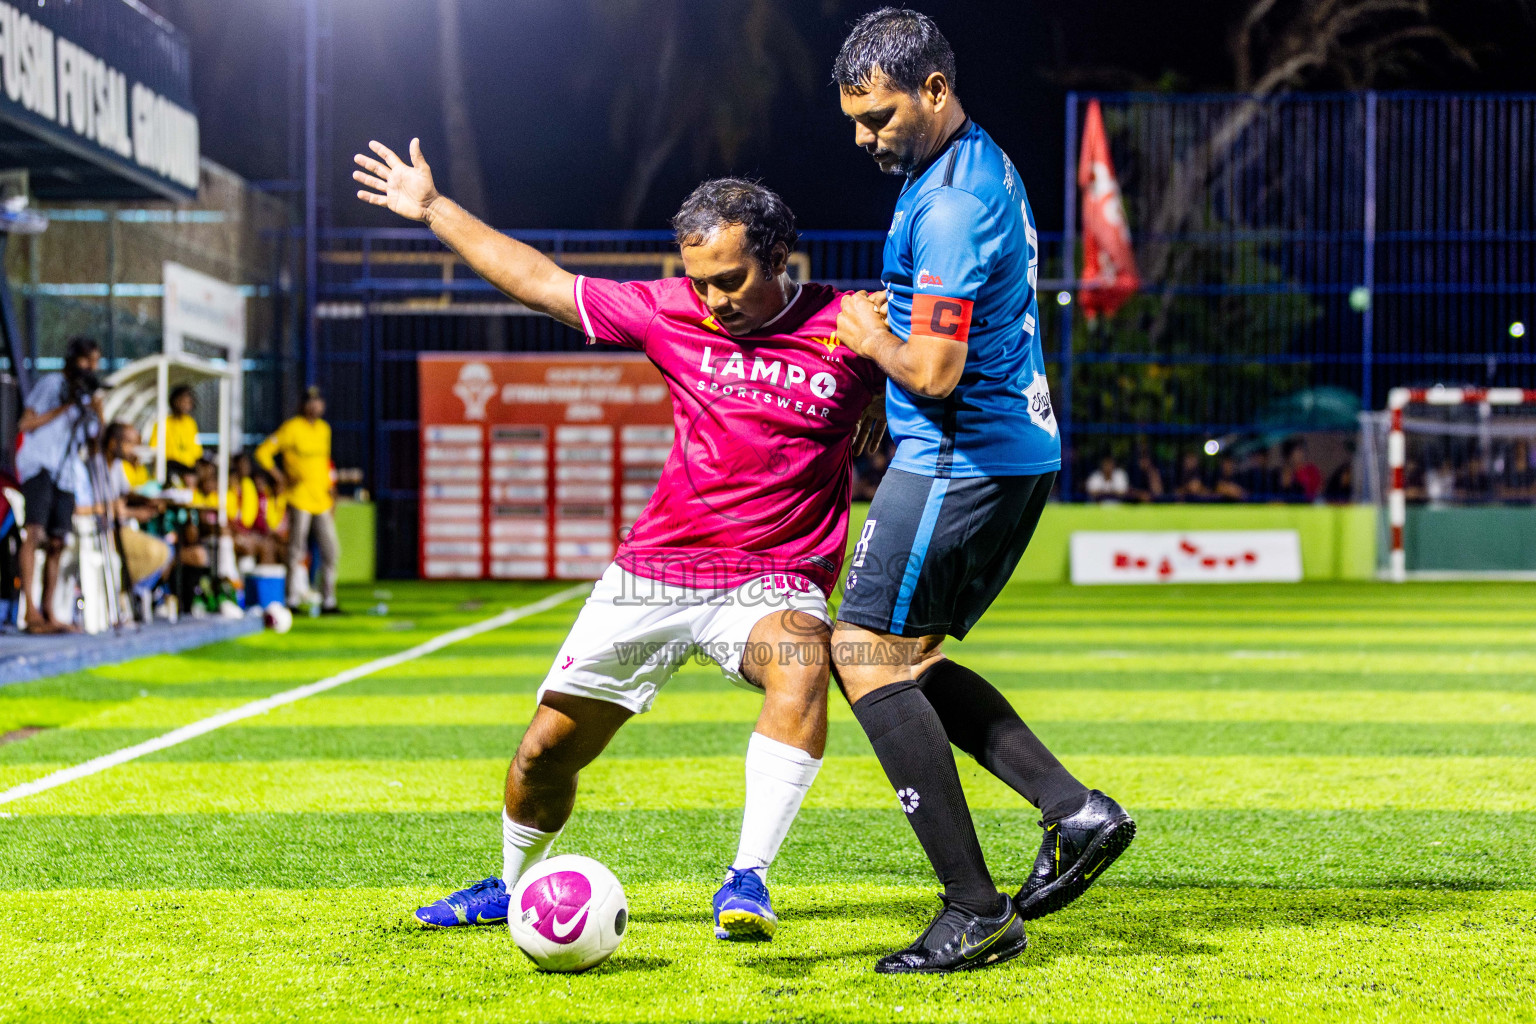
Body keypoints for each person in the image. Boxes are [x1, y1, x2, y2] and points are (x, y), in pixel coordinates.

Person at [355, 141, 885, 940]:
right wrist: (433, 209)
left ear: (779, 256)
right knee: (542, 755)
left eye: (731, 279)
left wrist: (884, 375)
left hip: (771, 580)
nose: (712, 299)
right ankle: (509, 884)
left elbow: (943, 363)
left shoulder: (850, 323)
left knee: (806, 659)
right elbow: (541, 282)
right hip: (655, 574)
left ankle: (746, 880)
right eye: (699, 279)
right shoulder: (670, 310)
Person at [831, 9, 1132, 974]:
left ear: (933, 90)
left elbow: (938, 367)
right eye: (854, 120)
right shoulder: (963, 168)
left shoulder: (953, 204)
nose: (864, 136)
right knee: (905, 661)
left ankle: (974, 908)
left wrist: (866, 337)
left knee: (860, 653)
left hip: (960, 461)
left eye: (878, 117)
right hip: (1002, 456)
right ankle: (1075, 813)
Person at [15, 337, 102, 633]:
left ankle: (50, 610)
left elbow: (93, 444)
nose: (90, 368)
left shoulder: (87, 398)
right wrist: (65, 406)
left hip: (67, 474)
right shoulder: (53, 384)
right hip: (40, 465)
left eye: (95, 363)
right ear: (73, 359)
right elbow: (25, 424)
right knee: (35, 533)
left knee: (57, 541)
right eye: (86, 361)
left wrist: (97, 410)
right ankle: (30, 611)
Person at [256, 387, 342, 613]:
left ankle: (329, 600)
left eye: (318, 401)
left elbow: (324, 464)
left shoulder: (324, 429)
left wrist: (332, 492)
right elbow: (263, 452)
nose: (315, 406)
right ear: (302, 405)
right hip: (299, 498)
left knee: (331, 550)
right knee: (296, 550)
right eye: (310, 401)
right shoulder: (292, 428)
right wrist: (279, 476)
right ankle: (292, 600)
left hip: (321, 500)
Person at [149, 384, 203, 480]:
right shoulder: (163, 422)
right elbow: (154, 449)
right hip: (169, 468)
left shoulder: (190, 423)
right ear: (174, 401)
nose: (186, 405)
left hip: (187, 470)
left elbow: (197, 452)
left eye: (188, 402)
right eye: (183, 401)